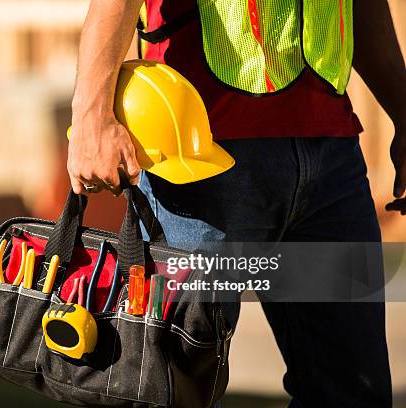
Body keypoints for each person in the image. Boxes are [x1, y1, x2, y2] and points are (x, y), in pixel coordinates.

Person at [67, 0, 405, 406]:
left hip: (330, 155)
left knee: (354, 394)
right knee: (168, 390)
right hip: (198, 157)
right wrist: (91, 115)